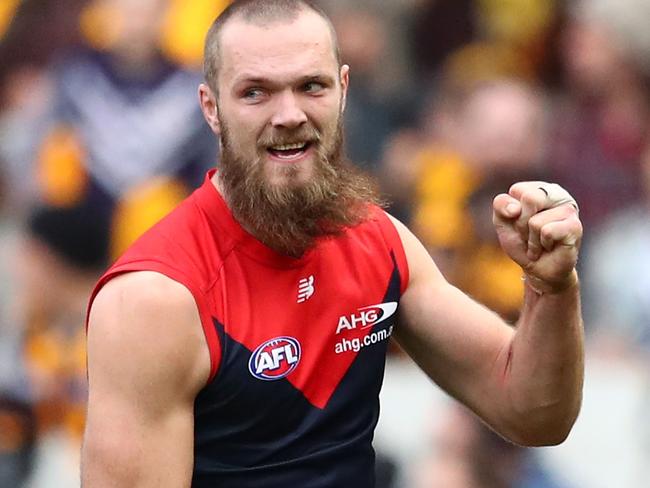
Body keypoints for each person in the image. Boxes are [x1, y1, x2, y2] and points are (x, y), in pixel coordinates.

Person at [82, 1, 585, 487]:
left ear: (343, 90)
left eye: (311, 86)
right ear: (211, 108)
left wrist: (551, 286)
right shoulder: (154, 299)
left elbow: (532, 413)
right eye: (255, 93)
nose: (289, 114)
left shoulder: (376, 240)